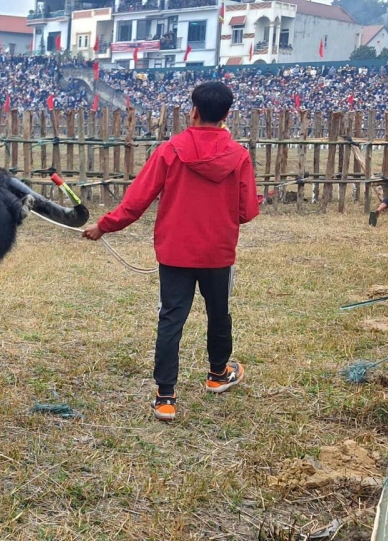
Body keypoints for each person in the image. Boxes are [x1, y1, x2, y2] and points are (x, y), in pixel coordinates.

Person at [82, 81, 259, 421]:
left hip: (175, 252)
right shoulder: (238, 156)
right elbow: (247, 212)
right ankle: (218, 374)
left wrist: (104, 225)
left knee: (170, 320)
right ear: (226, 115)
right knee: (219, 313)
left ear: (193, 110)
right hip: (218, 253)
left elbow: (136, 202)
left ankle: (166, 397)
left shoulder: (170, 150)